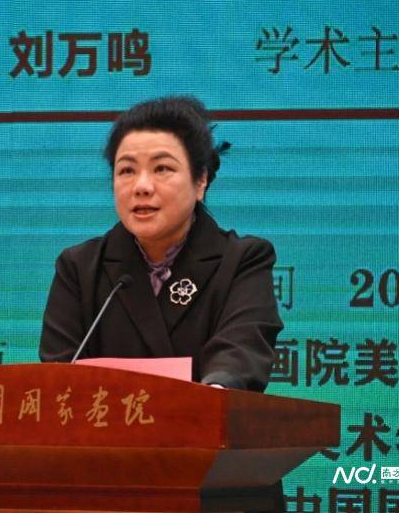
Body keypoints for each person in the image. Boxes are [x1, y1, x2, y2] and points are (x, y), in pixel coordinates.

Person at [39, 96, 283, 391]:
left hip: (202, 420)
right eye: (127, 170)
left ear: (201, 181)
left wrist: (213, 396)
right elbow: (58, 375)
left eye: (162, 169)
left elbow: (240, 354)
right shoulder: (79, 268)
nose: (141, 186)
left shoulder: (242, 260)